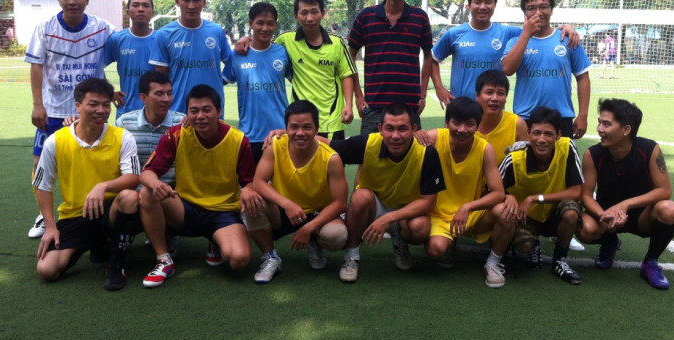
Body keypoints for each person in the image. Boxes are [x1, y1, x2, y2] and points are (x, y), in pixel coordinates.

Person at [138, 84, 259, 288]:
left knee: (239, 260)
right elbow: (148, 172)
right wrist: (154, 183)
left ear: (219, 111)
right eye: (194, 110)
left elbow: (248, 182)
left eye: (207, 109)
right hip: (185, 208)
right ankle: (164, 259)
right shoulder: (175, 135)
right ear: (187, 113)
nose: (200, 116)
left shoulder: (239, 140)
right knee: (147, 193)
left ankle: (216, 241)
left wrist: (248, 189)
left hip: (222, 212)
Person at [25, 0, 116, 239]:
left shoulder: (103, 28)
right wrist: (37, 104)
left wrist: (115, 90)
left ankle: (93, 212)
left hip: (92, 110)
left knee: (92, 162)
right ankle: (45, 215)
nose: (72, 1)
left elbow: (124, 49)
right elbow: (36, 66)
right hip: (54, 109)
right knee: (41, 162)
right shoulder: (44, 27)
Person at [33, 78, 140, 291]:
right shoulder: (55, 141)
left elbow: (134, 177)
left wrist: (103, 186)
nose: (101, 110)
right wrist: (51, 227)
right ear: (78, 105)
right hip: (75, 215)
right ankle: (97, 243)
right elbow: (42, 185)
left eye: (106, 104)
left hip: (111, 211)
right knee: (47, 270)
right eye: (93, 104)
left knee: (130, 197)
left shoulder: (123, 137)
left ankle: (116, 262)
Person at [323, 102, 446, 283]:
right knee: (360, 197)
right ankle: (352, 255)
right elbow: (329, 144)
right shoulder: (368, 143)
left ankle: (400, 242)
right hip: (375, 206)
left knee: (420, 227)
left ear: (414, 128)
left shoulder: (427, 153)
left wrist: (390, 218)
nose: (395, 136)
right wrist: (285, 133)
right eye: (389, 128)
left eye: (402, 129)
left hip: (405, 210)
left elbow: (428, 202)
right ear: (380, 128)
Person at [577, 99, 674, 290]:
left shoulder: (649, 149)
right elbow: (586, 196)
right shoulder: (593, 154)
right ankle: (609, 243)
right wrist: (604, 216)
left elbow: (665, 190)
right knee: (585, 229)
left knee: (669, 209)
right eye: (599, 122)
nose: (599, 128)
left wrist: (625, 205)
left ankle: (650, 262)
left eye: (606, 124)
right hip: (606, 215)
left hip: (642, 216)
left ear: (626, 130)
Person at [247, 101, 348, 283]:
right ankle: (271, 258)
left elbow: (340, 202)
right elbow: (258, 182)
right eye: (294, 127)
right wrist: (287, 204)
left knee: (337, 236)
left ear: (317, 129)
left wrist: (309, 228)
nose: (300, 133)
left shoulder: (331, 158)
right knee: (252, 201)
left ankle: (315, 243)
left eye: (307, 127)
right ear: (286, 128)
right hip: (283, 211)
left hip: (317, 213)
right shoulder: (276, 145)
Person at [432, 0, 580, 104]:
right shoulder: (454, 34)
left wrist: (563, 27)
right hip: (461, 108)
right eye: (477, 2)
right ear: (469, 5)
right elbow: (432, 59)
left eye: (488, 2)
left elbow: (538, 33)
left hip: (493, 109)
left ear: (495, 5)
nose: (483, 7)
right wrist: (439, 87)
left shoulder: (509, 33)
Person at [415, 98, 511, 288]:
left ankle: (493, 263)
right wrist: (415, 135)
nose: (462, 129)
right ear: (447, 123)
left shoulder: (485, 149)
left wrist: (468, 206)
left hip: (470, 214)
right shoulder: (434, 138)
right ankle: (449, 243)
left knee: (506, 212)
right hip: (438, 214)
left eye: (469, 124)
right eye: (456, 123)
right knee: (436, 250)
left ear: (477, 125)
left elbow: (498, 193)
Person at [234, 0, 356, 139]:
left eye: (314, 12)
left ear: (322, 13)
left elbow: (346, 74)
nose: (309, 18)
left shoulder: (337, 42)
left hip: (332, 119)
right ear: (295, 16)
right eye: (304, 13)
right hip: (300, 119)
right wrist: (247, 38)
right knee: (300, 161)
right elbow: (264, 46)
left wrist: (349, 104)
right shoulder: (286, 40)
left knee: (332, 160)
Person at [499, 106, 585, 284]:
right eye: (536, 133)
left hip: (554, 213)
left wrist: (535, 198)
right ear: (528, 133)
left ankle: (559, 260)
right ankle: (533, 245)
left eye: (548, 134)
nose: (542, 139)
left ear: (558, 135)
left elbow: (577, 191)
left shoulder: (567, 147)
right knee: (522, 244)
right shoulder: (514, 159)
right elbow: (494, 190)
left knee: (571, 211)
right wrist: (508, 196)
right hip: (526, 217)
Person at [348, 0, 435, 134]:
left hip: (409, 104)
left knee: (410, 156)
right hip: (374, 103)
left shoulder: (420, 18)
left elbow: (428, 56)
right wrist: (358, 95)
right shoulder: (366, 16)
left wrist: (423, 94)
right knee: (367, 155)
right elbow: (349, 56)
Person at [502, 0, 592, 140]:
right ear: (525, 13)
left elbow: (582, 77)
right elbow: (507, 69)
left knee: (561, 163)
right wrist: (526, 34)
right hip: (525, 118)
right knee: (525, 163)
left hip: (561, 117)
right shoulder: (515, 42)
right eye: (531, 8)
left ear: (551, 10)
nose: (538, 12)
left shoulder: (567, 39)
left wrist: (583, 115)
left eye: (543, 6)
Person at [116, 70, 185, 257]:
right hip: (134, 191)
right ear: (143, 98)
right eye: (159, 94)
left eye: (169, 93)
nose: (166, 99)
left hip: (170, 194)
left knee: (150, 194)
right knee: (133, 195)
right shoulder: (125, 123)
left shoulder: (183, 123)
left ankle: (168, 234)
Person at [149, 0, 231, 114]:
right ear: (177, 1)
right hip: (178, 112)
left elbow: (232, 63)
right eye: (186, 0)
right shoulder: (164, 34)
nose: (191, 6)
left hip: (212, 112)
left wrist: (219, 81)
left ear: (204, 2)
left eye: (196, 0)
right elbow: (160, 79)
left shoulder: (217, 31)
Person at [223, 2, 291, 163]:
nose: (265, 28)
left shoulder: (282, 52)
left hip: (280, 132)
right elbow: (221, 81)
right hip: (250, 134)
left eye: (270, 23)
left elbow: (299, 80)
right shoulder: (238, 54)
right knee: (250, 184)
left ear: (275, 25)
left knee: (280, 185)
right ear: (251, 23)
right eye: (260, 23)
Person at [104, 0, 156, 117]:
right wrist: (109, 90)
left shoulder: (162, 39)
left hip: (156, 111)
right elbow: (97, 67)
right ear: (128, 12)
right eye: (136, 5)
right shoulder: (116, 39)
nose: (141, 9)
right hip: (126, 111)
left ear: (152, 13)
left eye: (145, 5)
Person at [473, 70, 528, 166]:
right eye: (489, 92)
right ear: (477, 95)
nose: (495, 98)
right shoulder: (464, 123)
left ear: (506, 97)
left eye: (501, 93)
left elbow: (526, 163)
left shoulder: (517, 124)